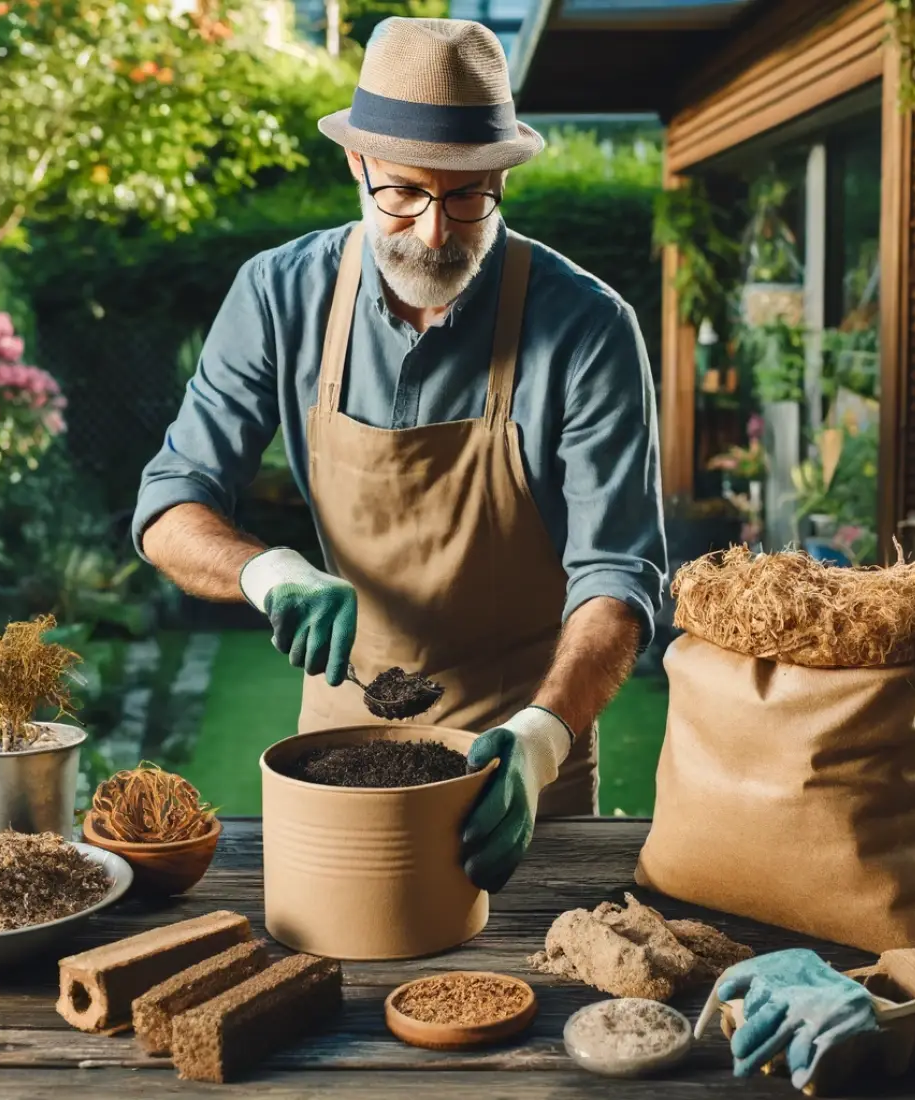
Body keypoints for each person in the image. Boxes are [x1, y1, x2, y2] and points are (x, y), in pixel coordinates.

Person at [132, 16, 667, 894]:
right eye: (404, 195)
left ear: (501, 176)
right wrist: (270, 572)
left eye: (467, 198)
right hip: (344, 743)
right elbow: (169, 503)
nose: (432, 231)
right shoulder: (278, 296)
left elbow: (619, 579)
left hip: (524, 748)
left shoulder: (588, 326)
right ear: (358, 166)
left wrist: (539, 744)